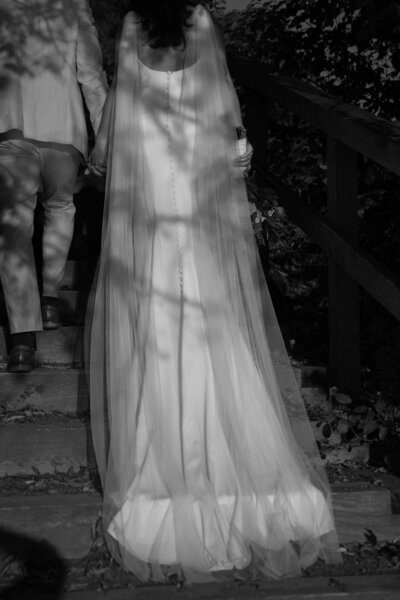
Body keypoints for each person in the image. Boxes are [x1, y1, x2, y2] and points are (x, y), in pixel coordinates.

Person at [86, 0, 341, 583]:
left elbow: (120, 107)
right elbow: (223, 101)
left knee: (157, 308)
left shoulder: (130, 24)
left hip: (152, 175)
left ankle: (165, 459)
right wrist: (235, 147)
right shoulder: (200, 21)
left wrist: (103, 154)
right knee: (208, 307)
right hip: (195, 176)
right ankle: (229, 449)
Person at [0, 0, 108, 372]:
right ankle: (48, 299)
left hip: (11, 125)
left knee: (15, 226)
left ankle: (22, 341)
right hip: (64, 127)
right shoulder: (74, 3)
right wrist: (104, 133)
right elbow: (91, 72)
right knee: (61, 209)